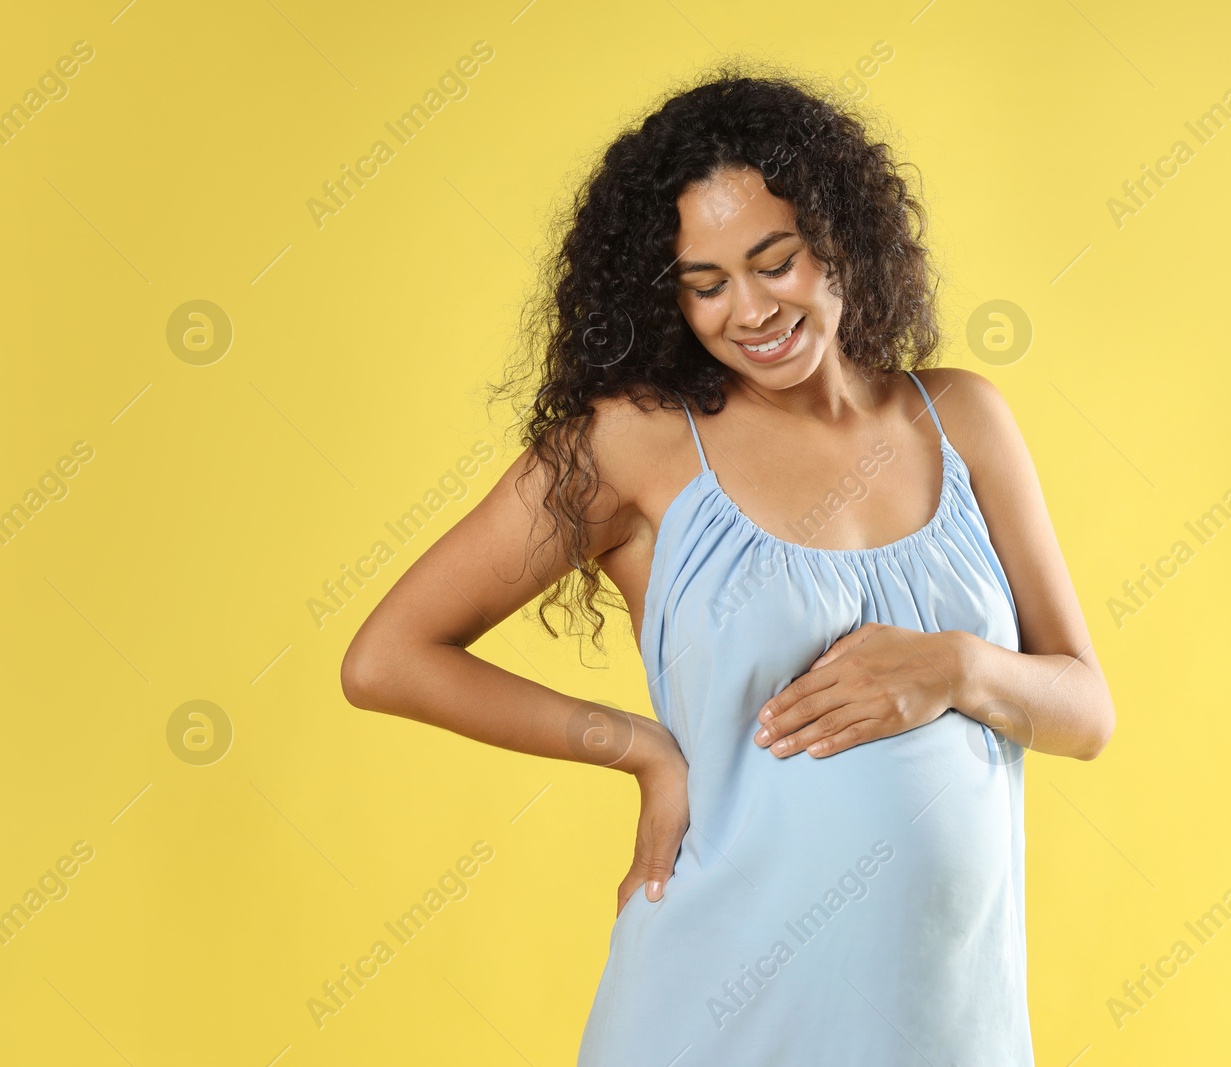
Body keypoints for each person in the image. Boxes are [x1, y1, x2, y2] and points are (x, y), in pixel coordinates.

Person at [341, 65, 1115, 1066]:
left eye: (773, 260)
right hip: (713, 1010)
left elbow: (1085, 710)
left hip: (943, 1022)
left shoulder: (961, 418)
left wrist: (957, 667)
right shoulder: (640, 444)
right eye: (705, 285)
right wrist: (640, 748)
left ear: (838, 237)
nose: (748, 308)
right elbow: (387, 658)